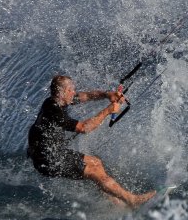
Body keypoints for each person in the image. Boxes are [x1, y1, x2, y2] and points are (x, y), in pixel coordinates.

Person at [27, 75, 156, 208]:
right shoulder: (54, 110)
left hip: (52, 153)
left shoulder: (58, 100)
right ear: (62, 92)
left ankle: (117, 203)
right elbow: (84, 128)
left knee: (96, 162)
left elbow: (86, 96)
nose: (74, 93)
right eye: (71, 90)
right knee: (93, 171)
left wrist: (107, 95)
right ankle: (132, 200)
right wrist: (109, 110)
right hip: (48, 160)